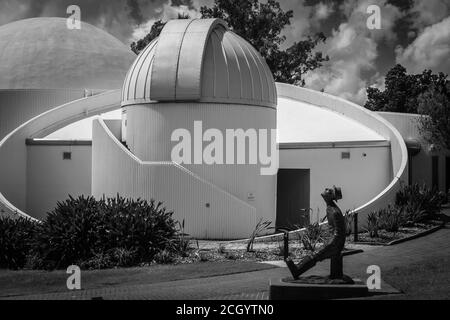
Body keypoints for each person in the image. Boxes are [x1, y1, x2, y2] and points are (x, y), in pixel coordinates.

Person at [286, 186, 346, 279]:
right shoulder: (330, 208)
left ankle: (297, 271)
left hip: (335, 243)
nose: (326, 188)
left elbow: (338, 233)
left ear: (330, 196)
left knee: (316, 254)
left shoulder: (334, 212)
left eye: (328, 190)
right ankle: (297, 269)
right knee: (316, 253)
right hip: (333, 241)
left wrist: (329, 244)